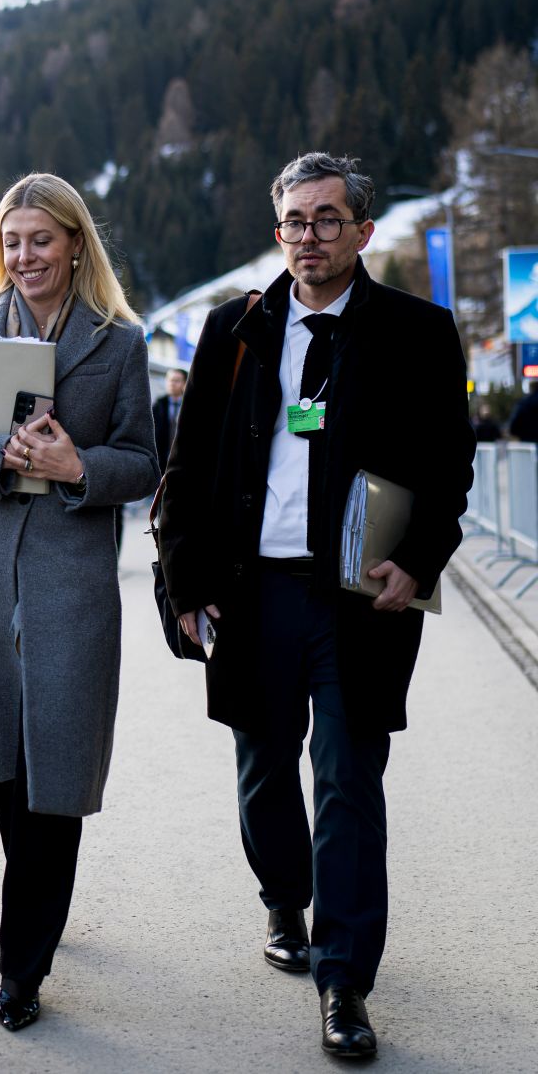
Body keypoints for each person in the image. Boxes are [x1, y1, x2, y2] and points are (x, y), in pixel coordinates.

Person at [159, 152, 473, 1059]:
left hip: (358, 598)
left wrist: (419, 560)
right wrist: (186, 583)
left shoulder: (417, 331)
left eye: (328, 219)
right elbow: (186, 470)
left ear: (363, 231)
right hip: (252, 592)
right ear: (278, 232)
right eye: (295, 221)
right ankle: (283, 901)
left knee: (346, 778)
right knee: (263, 773)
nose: (310, 236)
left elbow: (451, 466)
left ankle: (344, 981)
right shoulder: (234, 329)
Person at [0, 172, 157, 1032]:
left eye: (40, 239)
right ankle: (41, 901)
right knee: (5, 763)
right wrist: (0, 456)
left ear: (76, 243)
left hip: (70, 580)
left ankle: (23, 962)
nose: (24, 256)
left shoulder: (118, 341)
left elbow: (144, 461)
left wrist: (78, 467)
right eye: (12, 242)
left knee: (59, 766)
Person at [152, 368, 188, 471]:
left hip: (182, 460)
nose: (172, 383)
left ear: (185, 383)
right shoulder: (158, 404)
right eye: (169, 380)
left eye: (176, 380)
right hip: (160, 460)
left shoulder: (189, 406)